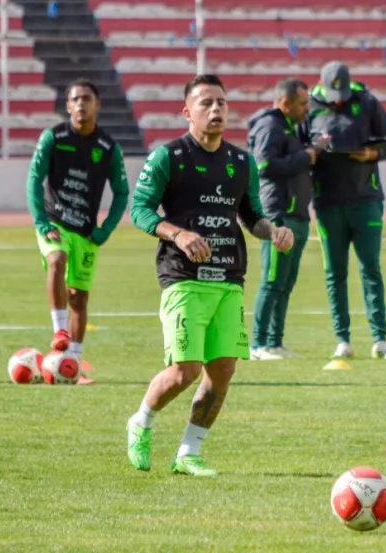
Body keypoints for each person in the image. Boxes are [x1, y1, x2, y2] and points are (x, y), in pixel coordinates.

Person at [126, 74, 294, 476]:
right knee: (185, 371)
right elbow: (141, 210)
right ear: (187, 112)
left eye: (221, 102)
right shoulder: (170, 157)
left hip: (229, 277)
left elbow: (251, 216)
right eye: (206, 103)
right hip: (182, 276)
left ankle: (188, 453)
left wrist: (273, 231)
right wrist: (178, 233)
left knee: (222, 371)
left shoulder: (241, 162)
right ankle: (141, 422)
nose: (216, 109)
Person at [25, 78, 129, 376]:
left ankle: (74, 363)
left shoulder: (108, 147)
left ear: (98, 105)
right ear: (68, 106)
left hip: (85, 230)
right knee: (57, 260)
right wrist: (42, 222)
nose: (81, 103)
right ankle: (60, 332)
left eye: (87, 98)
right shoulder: (53, 138)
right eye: (75, 99)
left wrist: (105, 228)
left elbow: (122, 192)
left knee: (79, 298)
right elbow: (34, 180)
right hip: (54, 221)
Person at [304, 61, 386, 360]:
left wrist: (370, 154)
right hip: (328, 201)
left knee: (371, 269)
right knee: (335, 273)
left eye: (342, 93)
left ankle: (380, 339)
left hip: (366, 199)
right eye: (334, 94)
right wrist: (313, 154)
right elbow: (298, 150)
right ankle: (342, 339)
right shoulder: (309, 106)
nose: (339, 99)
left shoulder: (368, 101)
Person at [247, 77, 331, 361]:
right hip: (278, 215)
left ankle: (275, 342)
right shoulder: (271, 125)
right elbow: (264, 165)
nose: (306, 109)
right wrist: (305, 157)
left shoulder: (289, 128)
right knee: (271, 282)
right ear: (285, 103)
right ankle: (258, 345)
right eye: (302, 103)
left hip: (297, 216)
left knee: (285, 283)